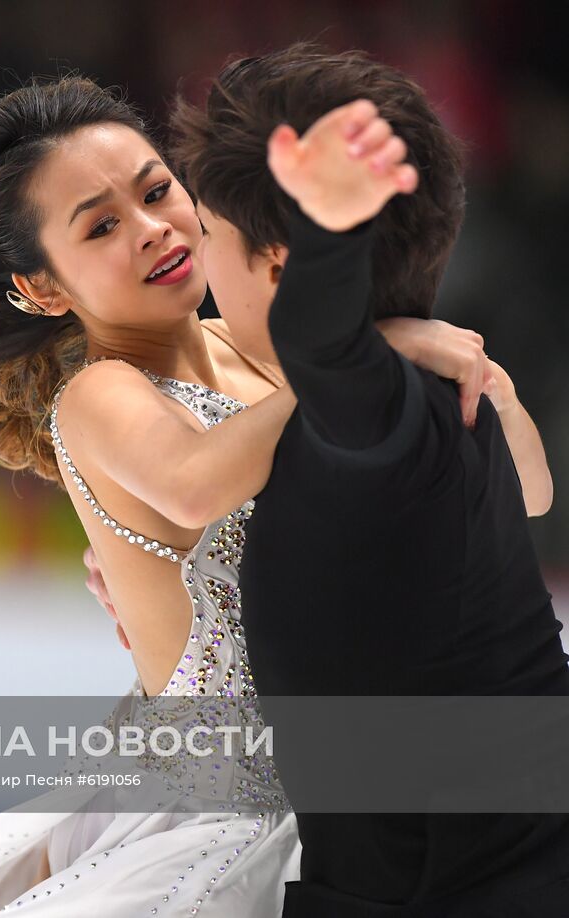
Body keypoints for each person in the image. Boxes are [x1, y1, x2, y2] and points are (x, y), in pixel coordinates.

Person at [0, 55, 546, 917]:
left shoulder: (259, 348)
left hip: (356, 779)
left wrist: (484, 383)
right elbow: (190, 487)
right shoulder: (103, 393)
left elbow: (523, 496)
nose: (151, 228)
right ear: (41, 286)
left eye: (155, 192)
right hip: (233, 808)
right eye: (99, 228)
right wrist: (364, 359)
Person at [153, 45, 569, 916]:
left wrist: (328, 234)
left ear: (278, 264)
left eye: (210, 231)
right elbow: (535, 497)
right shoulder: (431, 391)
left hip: (468, 886)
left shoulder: (392, 413)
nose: (194, 255)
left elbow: (324, 347)